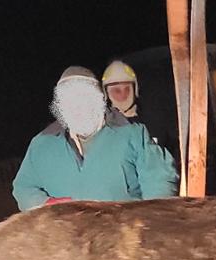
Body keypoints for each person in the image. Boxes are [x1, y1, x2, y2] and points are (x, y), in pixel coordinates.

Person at [12, 67, 179, 211]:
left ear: (99, 98)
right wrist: (45, 204)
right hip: (66, 234)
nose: (78, 106)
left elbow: (159, 179)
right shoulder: (42, 144)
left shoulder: (132, 134)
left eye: (85, 97)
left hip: (123, 232)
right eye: (70, 99)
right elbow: (23, 187)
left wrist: (149, 219)